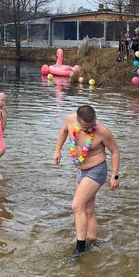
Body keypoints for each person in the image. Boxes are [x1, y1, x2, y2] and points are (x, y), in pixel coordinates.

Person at [53, 104, 120, 258]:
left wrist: (115, 176)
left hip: (97, 170)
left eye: (91, 126)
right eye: (85, 127)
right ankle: (92, 240)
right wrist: (57, 150)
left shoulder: (102, 131)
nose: (89, 130)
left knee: (77, 205)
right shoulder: (70, 120)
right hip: (81, 170)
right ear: (77, 120)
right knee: (88, 209)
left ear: (95, 120)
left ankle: (80, 249)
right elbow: (63, 131)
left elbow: (115, 151)